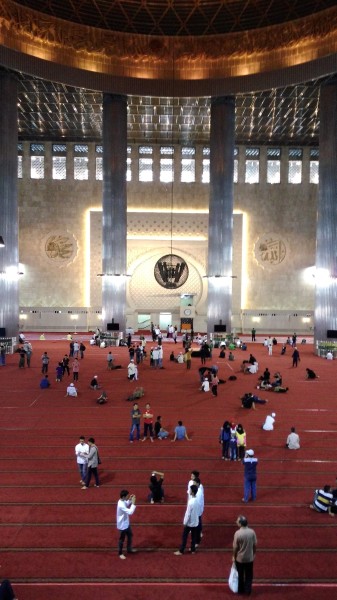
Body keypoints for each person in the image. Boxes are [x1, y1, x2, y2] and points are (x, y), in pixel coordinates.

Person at [233, 515, 257, 596]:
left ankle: (241, 590)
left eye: (237, 521)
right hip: (249, 558)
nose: (236, 522)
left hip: (240, 558)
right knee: (249, 575)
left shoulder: (237, 533)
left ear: (240, 523)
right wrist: (254, 554)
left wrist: (234, 556)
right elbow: (254, 545)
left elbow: (235, 547)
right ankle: (248, 590)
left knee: (240, 575)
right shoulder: (252, 532)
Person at [174, 484, 199, 555]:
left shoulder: (191, 502)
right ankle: (193, 549)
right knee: (193, 537)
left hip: (189, 523)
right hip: (195, 522)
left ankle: (181, 550)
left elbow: (187, 513)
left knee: (184, 536)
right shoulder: (197, 500)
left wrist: (185, 522)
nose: (189, 491)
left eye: (190, 490)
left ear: (193, 492)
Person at [116, 489, 137, 559]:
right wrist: (133, 503)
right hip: (122, 525)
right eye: (127, 496)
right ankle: (120, 553)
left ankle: (129, 549)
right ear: (123, 497)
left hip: (126, 523)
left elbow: (127, 503)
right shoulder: (121, 505)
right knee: (122, 540)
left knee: (130, 535)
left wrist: (130, 500)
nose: (128, 497)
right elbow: (130, 512)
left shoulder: (122, 501)